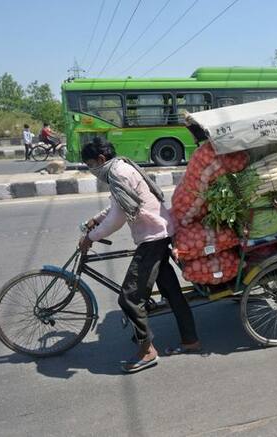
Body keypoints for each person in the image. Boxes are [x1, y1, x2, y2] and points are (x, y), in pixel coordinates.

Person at [79, 139, 200, 373]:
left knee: (129, 298)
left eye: (91, 165)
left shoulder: (118, 173)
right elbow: (118, 206)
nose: (93, 171)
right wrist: (97, 219)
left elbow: (118, 217)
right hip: (158, 232)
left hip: (153, 238)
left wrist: (91, 237)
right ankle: (190, 339)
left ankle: (147, 352)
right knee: (171, 292)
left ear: (101, 160)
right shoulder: (121, 167)